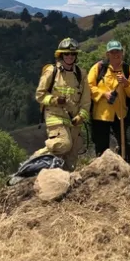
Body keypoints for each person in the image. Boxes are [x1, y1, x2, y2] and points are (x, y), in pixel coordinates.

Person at [34, 38, 91, 171]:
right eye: (66, 54)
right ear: (61, 55)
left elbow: (86, 101)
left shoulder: (81, 74)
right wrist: (55, 100)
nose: (70, 57)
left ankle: (60, 178)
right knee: (64, 144)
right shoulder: (52, 72)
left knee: (72, 154)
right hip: (55, 116)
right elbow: (40, 95)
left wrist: (81, 117)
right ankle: (35, 159)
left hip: (74, 120)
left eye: (72, 54)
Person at [88, 40, 130, 162]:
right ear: (108, 54)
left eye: (118, 51)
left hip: (121, 113)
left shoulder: (128, 70)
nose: (116, 54)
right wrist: (103, 94)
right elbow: (88, 87)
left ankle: (123, 162)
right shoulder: (98, 68)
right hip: (101, 114)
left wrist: (127, 84)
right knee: (102, 148)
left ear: (122, 53)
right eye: (113, 52)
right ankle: (102, 173)